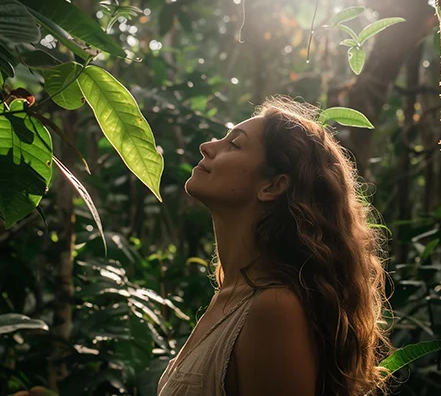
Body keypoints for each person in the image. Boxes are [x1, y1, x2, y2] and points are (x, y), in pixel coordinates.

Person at [157, 96, 390, 396]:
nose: (207, 146)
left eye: (234, 144)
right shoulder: (232, 294)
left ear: (272, 186)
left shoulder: (275, 309)